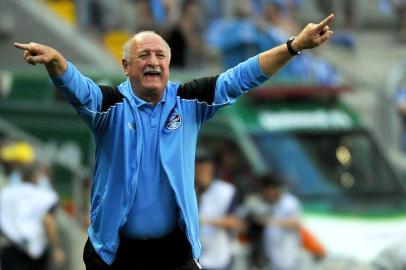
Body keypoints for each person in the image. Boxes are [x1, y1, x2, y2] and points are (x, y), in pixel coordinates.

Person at [14, 13, 334, 269]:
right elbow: (80, 90)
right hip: (115, 253)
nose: (153, 61)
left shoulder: (188, 100)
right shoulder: (110, 106)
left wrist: (293, 46)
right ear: (125, 67)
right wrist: (58, 64)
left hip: (174, 253)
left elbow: (241, 77)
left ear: (168, 64)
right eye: (143, 55)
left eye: (160, 55)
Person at [0, 162, 65, 270]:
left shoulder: (6, 193)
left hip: (10, 249)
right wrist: (56, 248)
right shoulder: (45, 196)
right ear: (36, 176)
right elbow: (48, 221)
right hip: (36, 252)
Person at [195, 150, 242, 270]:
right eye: (198, 166)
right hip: (194, 257)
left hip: (218, 257)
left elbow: (234, 222)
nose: (201, 170)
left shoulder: (226, 190)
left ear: (211, 168)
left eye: (204, 167)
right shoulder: (189, 190)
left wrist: (202, 220)